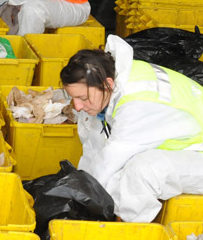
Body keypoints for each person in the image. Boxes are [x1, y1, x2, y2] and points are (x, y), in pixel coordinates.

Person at [60, 35, 203, 222]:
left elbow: (110, 159)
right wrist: (79, 186)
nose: (77, 106)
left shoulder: (137, 102)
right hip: (186, 143)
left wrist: (81, 199)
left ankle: (129, 231)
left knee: (141, 170)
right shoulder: (114, 80)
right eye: (74, 98)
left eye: (84, 98)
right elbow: (95, 148)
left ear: (108, 84)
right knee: (118, 173)